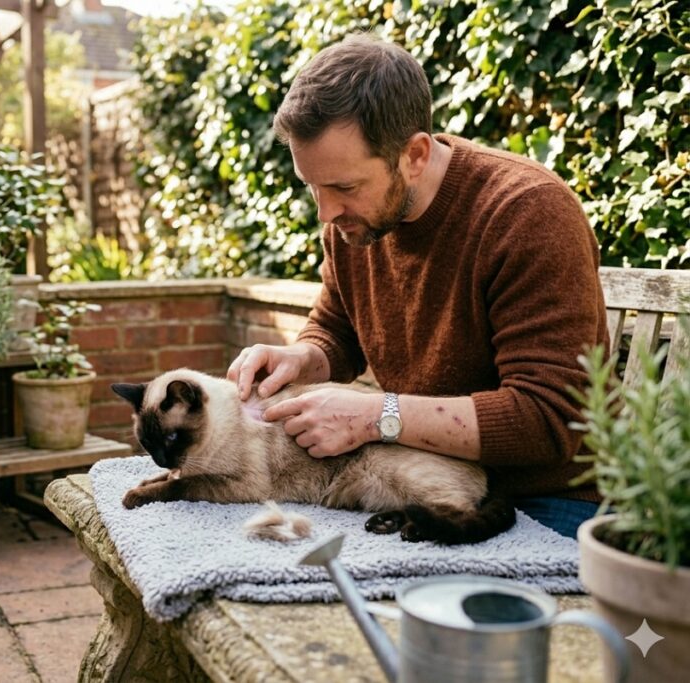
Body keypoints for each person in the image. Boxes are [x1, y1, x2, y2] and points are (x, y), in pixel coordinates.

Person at [226, 33, 608, 539]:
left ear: (415, 155)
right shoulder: (353, 224)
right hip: (422, 476)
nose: (326, 212)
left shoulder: (528, 212)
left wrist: (375, 416)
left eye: (343, 187)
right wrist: (300, 358)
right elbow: (336, 331)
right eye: (312, 186)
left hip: (548, 495)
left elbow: (548, 418)